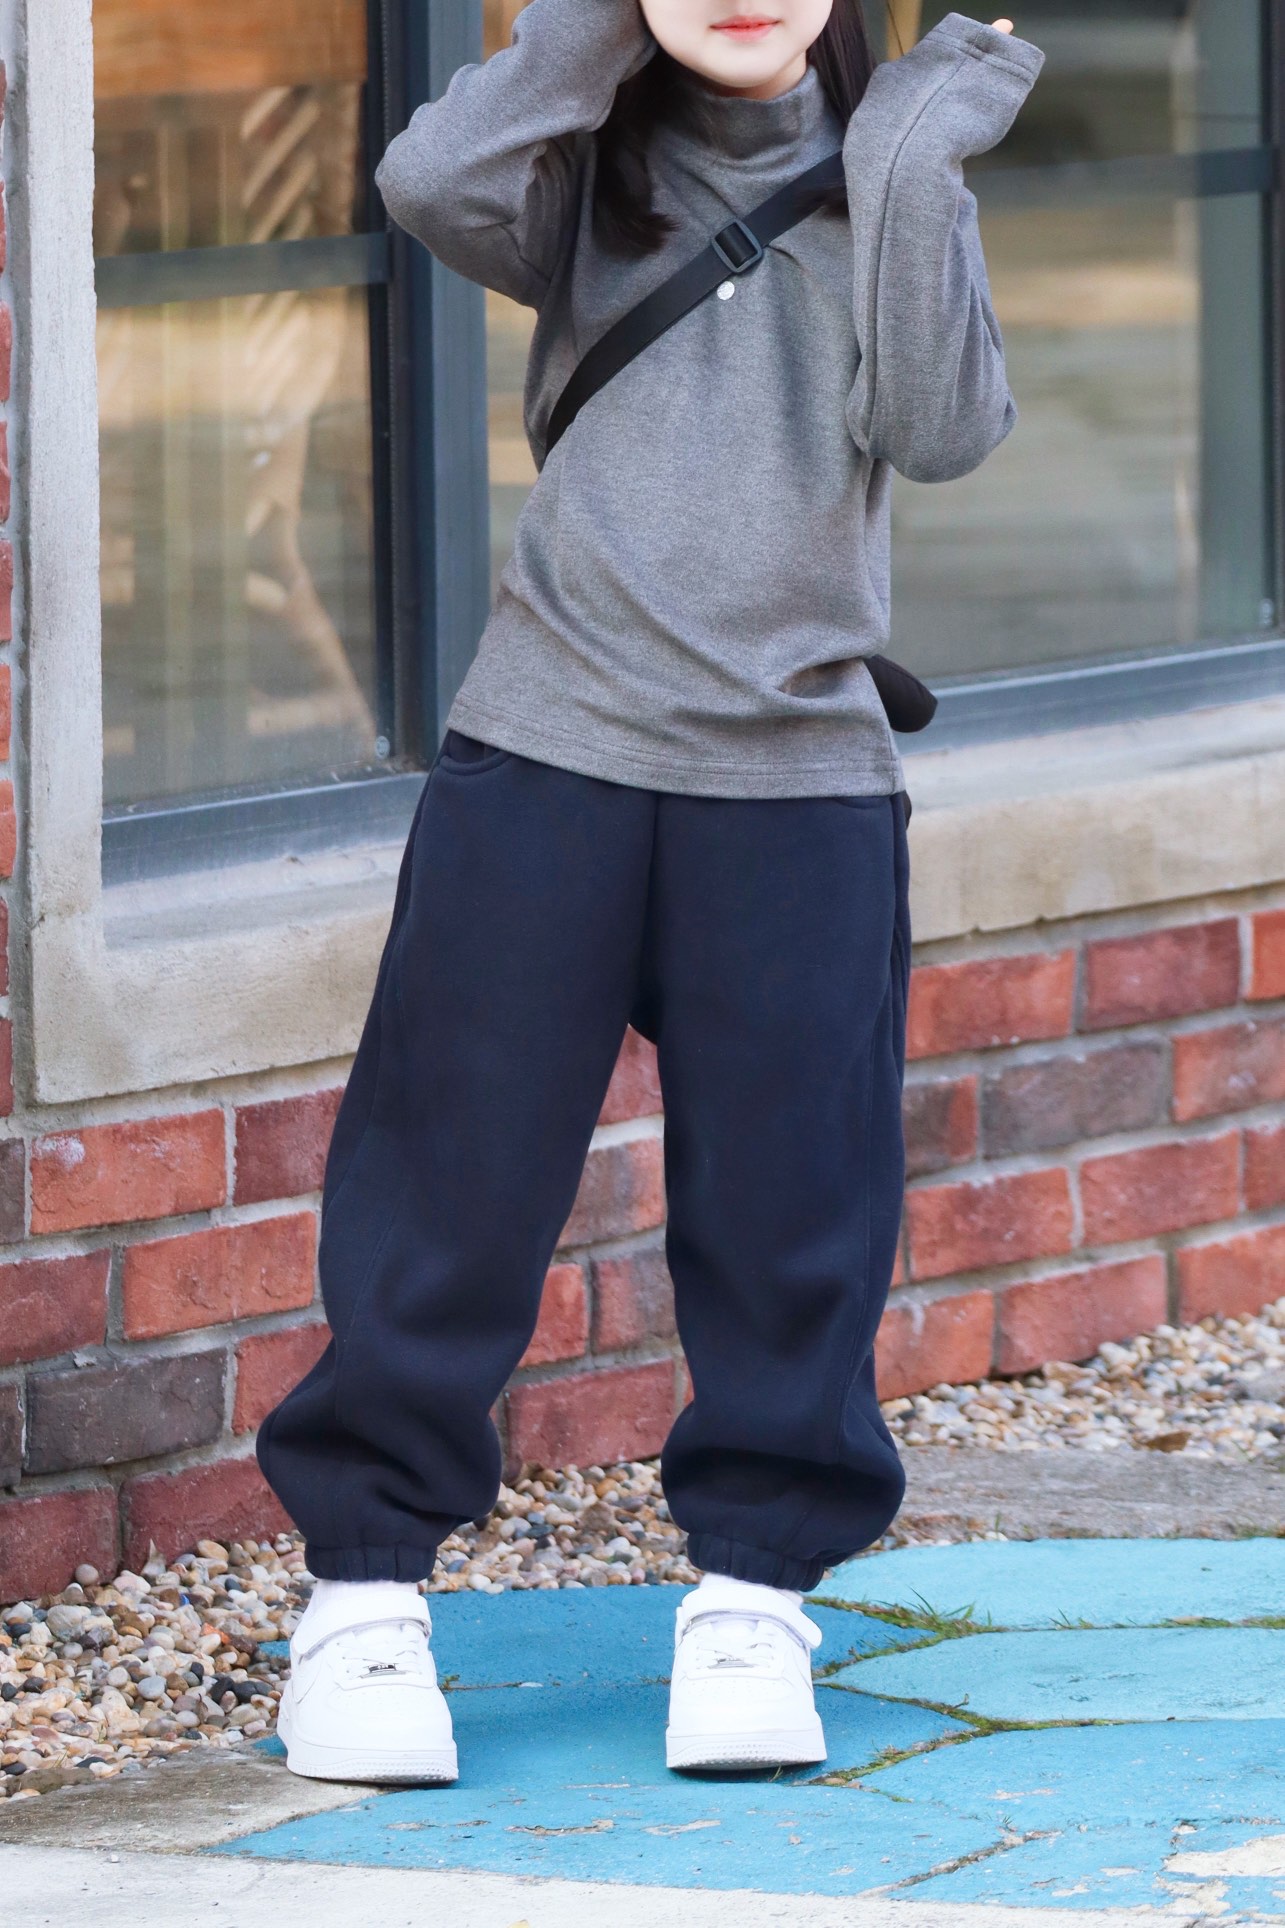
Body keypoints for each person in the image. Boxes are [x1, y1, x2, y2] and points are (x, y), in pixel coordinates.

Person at [256, 0, 1044, 1785]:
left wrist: (908, 151)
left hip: (799, 783)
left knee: (792, 1213)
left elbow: (937, 430)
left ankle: (752, 1600)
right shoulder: (575, 183)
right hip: (548, 751)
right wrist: (597, 29)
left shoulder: (894, 174)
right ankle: (362, 1601)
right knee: (446, 1191)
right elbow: (426, 176)